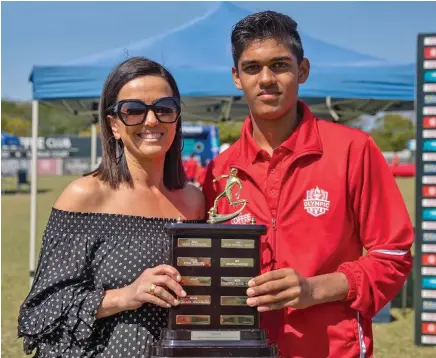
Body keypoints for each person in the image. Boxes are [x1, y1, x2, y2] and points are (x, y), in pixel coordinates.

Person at [202, 11, 413, 358]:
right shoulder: (219, 171)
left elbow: (393, 255)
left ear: (302, 70)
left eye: (280, 65)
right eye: (252, 68)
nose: (266, 79)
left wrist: (314, 289)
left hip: (332, 349)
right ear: (237, 78)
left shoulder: (352, 150)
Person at [18, 57, 205, 357]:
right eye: (133, 110)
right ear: (114, 125)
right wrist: (125, 296)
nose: (151, 120)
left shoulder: (195, 201)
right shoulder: (84, 195)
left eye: (164, 108)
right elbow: (39, 312)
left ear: (177, 118)